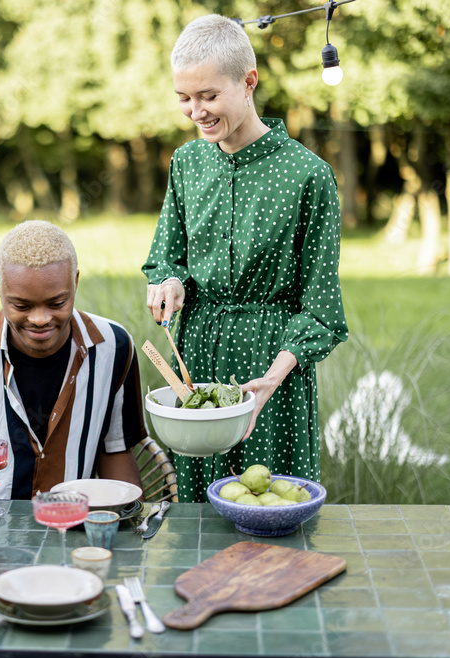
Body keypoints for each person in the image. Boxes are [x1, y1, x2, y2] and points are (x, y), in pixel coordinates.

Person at [142, 14, 348, 502]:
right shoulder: (186, 163)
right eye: (184, 98)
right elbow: (166, 257)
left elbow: (320, 308)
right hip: (197, 357)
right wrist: (170, 281)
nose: (196, 111)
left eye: (209, 96)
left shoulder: (308, 175)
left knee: (269, 505)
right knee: (196, 518)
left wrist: (272, 379)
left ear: (248, 82)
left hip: (271, 370)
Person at [0, 219, 146, 500]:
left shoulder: (114, 347)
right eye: (21, 306)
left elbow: (116, 450)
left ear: (75, 282)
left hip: (73, 532)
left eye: (56, 303)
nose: (40, 319)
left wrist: (133, 523)